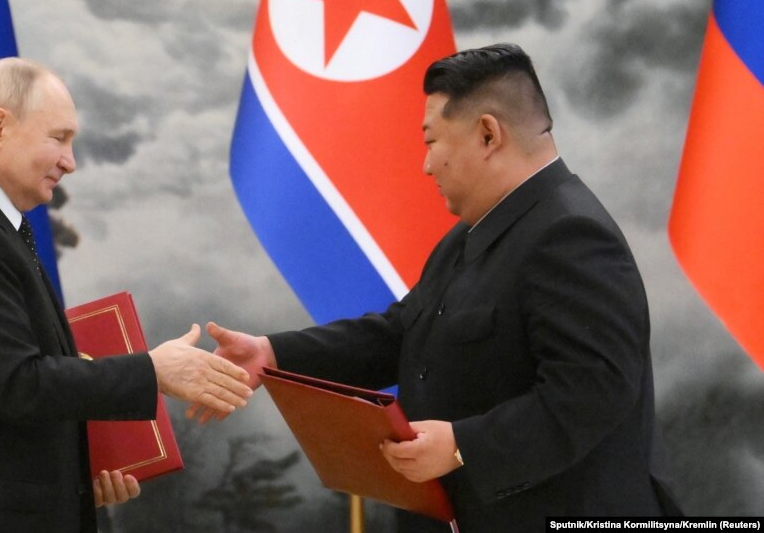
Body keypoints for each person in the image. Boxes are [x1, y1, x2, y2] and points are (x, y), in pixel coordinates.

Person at [203, 43, 680, 532]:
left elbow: (591, 393)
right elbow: (404, 333)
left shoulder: (572, 234)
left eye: (431, 142)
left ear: (488, 134)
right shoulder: (474, 232)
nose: (426, 166)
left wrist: (460, 445)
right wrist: (272, 353)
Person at [0, 57, 252, 533]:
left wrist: (77, 476)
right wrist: (154, 370)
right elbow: (18, 385)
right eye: (59, 138)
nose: (70, 162)